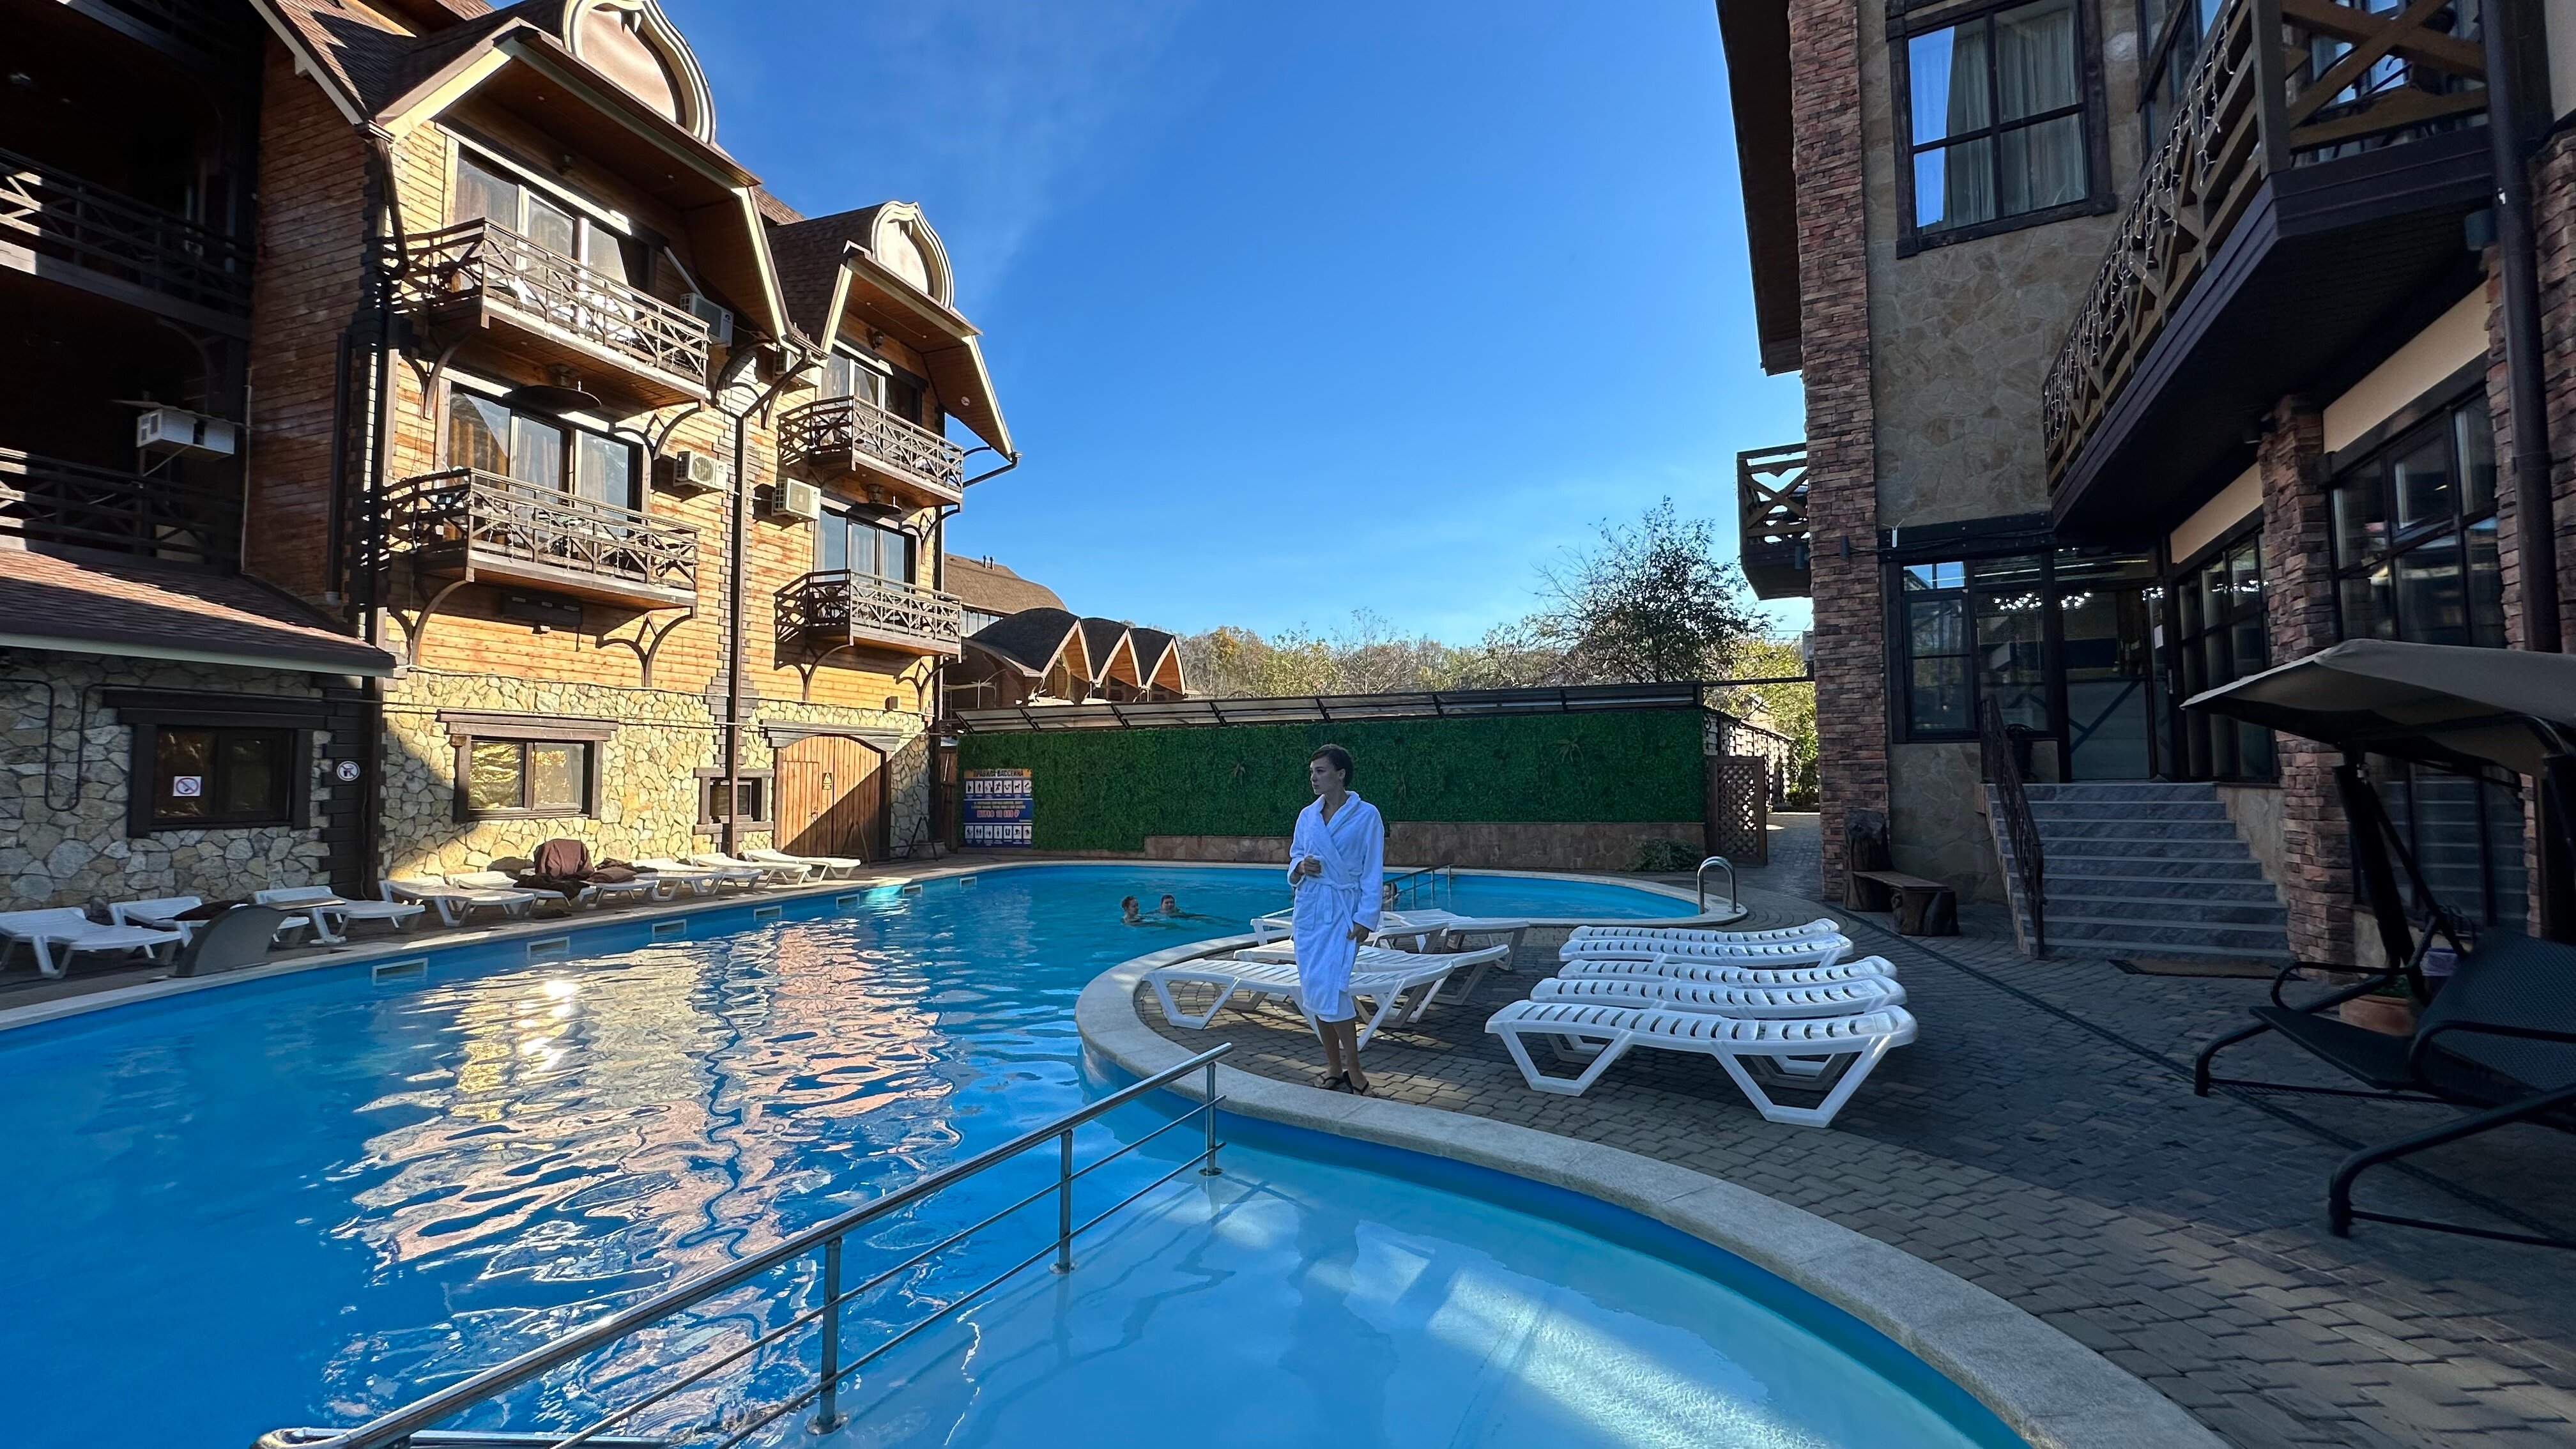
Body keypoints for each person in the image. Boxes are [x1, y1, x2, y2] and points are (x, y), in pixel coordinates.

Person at [1286, 743, 1384, 1094]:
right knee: (1314, 991)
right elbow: (1296, 855)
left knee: (1335, 990)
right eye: (1312, 772)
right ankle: (1333, 1066)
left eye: (1321, 771)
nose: (1314, 778)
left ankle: (1354, 1069)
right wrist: (1301, 867)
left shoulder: (1367, 815)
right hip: (1311, 912)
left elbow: (1373, 869)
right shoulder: (1307, 816)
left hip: (1343, 912)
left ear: (1340, 774)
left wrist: (1366, 917)